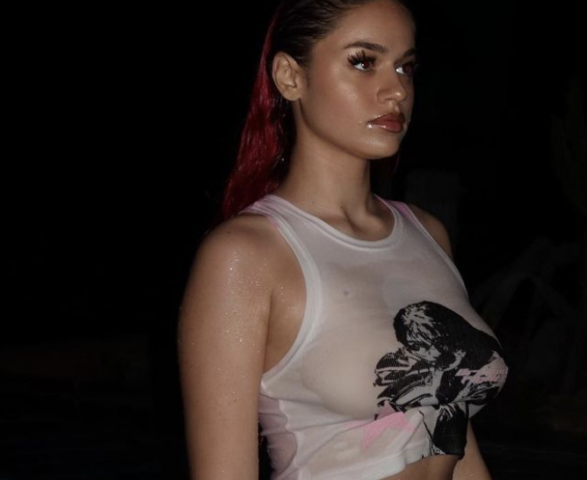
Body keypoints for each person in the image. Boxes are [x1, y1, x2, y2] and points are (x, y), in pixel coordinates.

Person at [177, 0, 509, 479]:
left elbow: (453, 433)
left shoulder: (427, 233)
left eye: (405, 67)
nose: (397, 90)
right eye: (363, 62)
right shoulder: (246, 257)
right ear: (290, 77)